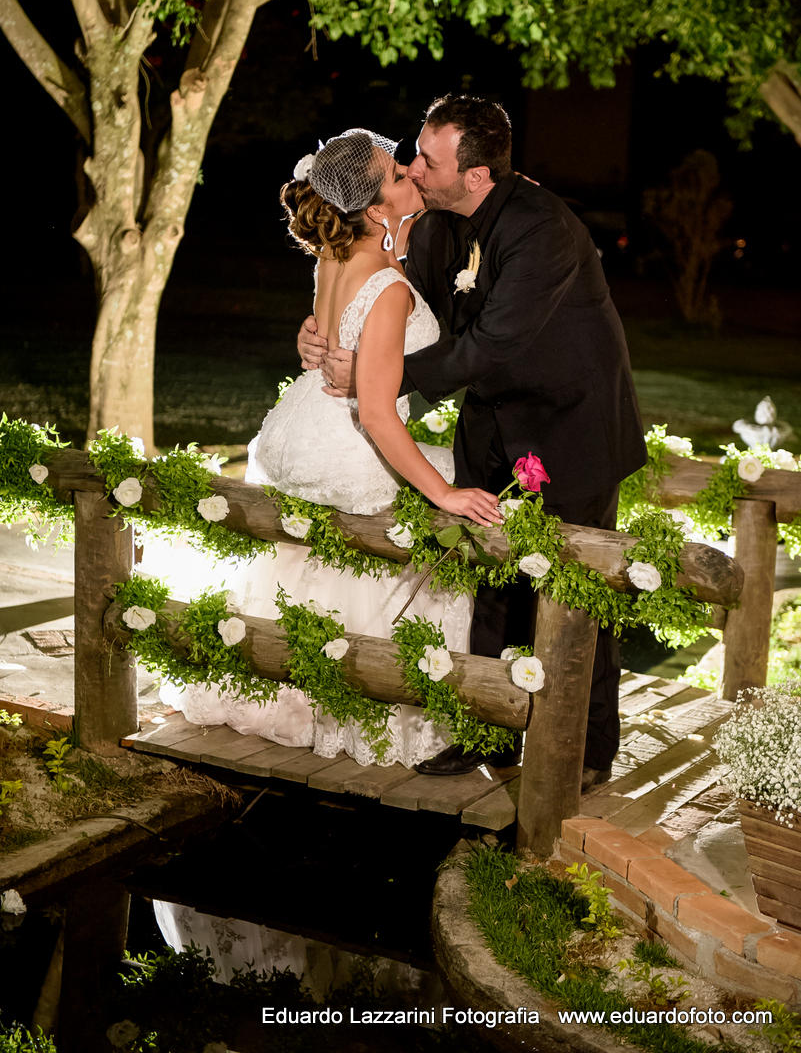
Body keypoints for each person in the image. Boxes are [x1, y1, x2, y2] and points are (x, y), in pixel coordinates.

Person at [298, 96, 647, 783]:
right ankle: (485, 735)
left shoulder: (541, 229)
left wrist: (379, 378)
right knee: (486, 579)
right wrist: (324, 335)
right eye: (413, 156)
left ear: (476, 174)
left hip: (570, 427)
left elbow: (490, 344)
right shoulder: (435, 228)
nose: (413, 168)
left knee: (576, 588)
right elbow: (411, 309)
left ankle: (588, 749)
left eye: (427, 160)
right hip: (490, 422)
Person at [159, 127, 501, 768]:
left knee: (306, 566)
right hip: (350, 440)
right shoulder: (391, 289)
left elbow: (327, 331)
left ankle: (284, 686)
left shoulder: (332, 255)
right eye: (398, 175)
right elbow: (376, 413)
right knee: (431, 516)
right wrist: (444, 491)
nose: (412, 176)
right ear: (375, 210)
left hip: (305, 423)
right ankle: (364, 703)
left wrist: (310, 340)